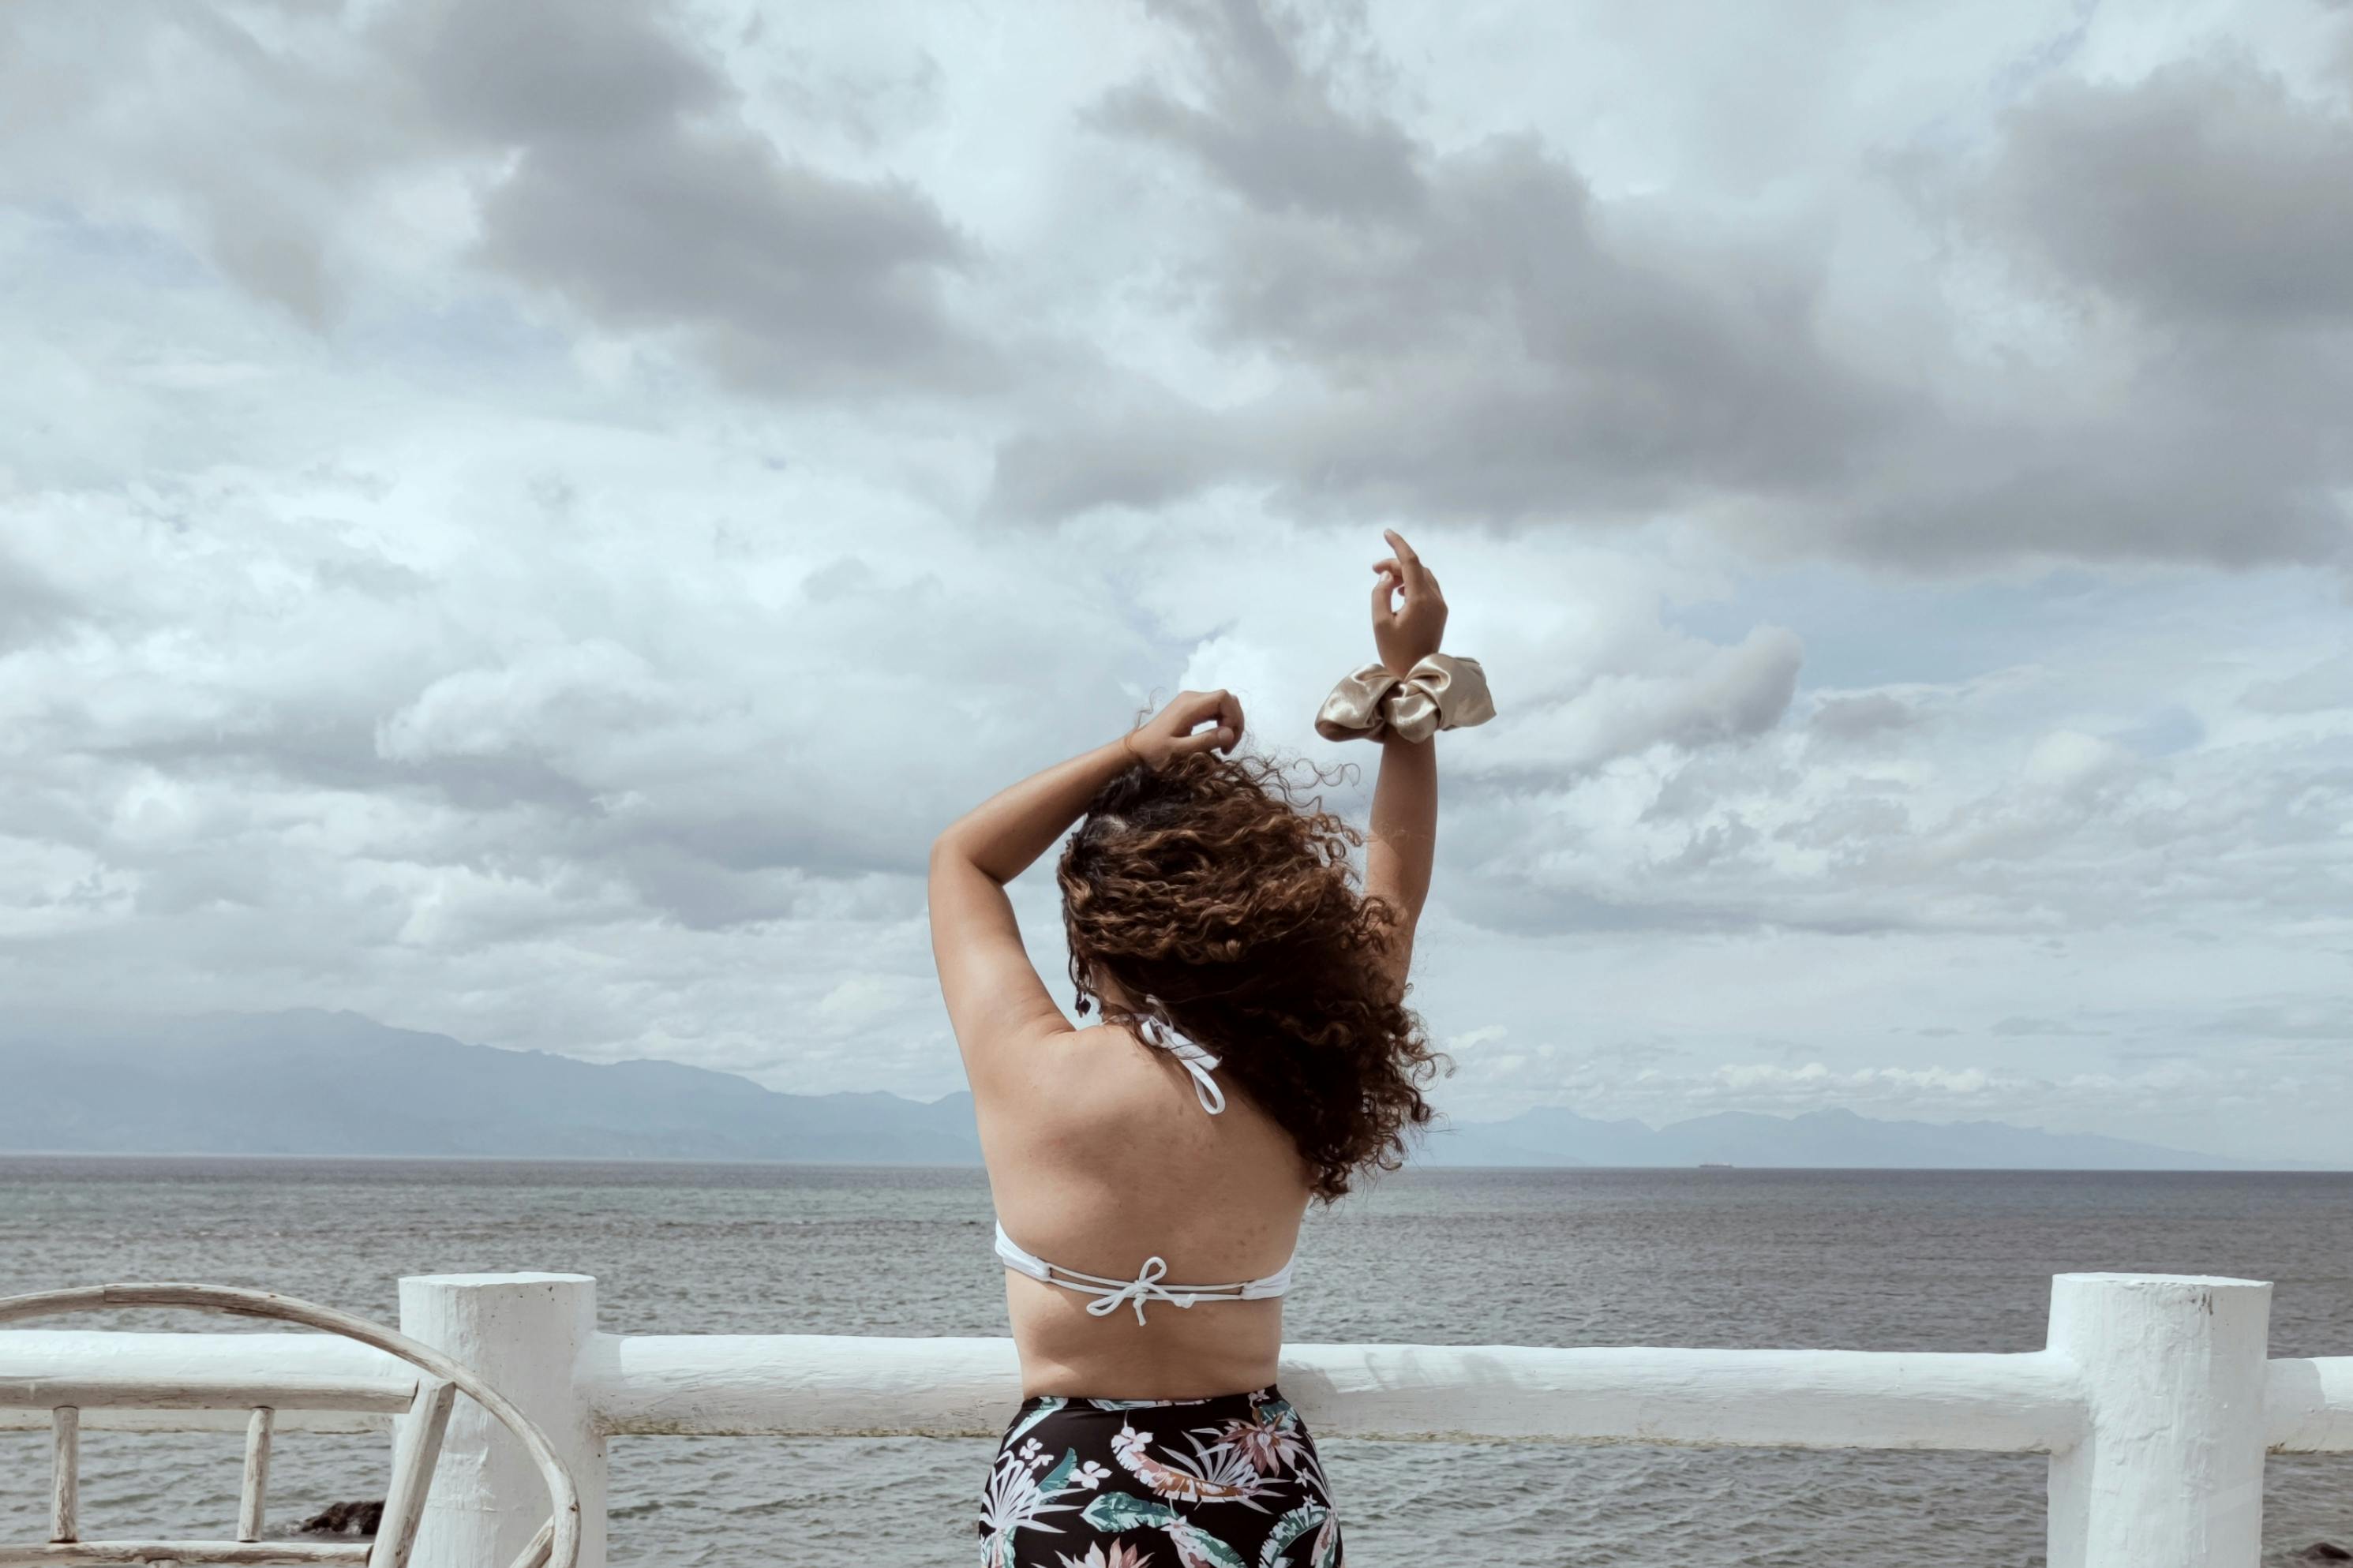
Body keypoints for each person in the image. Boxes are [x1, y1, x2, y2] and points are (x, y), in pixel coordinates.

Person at [931, 530, 1491, 1568]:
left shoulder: (1033, 1071)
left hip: (1068, 1487)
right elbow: (1394, 895)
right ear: (1271, 923)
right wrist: (1406, 698)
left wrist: (1130, 754)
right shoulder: (1296, 1074)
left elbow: (963, 860)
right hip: (1259, 1479)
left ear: (1095, 934)